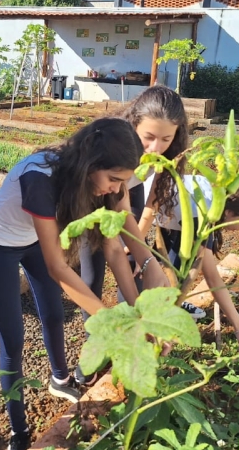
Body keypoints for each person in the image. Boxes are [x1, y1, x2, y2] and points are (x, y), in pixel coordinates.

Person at [0, 117, 168, 450]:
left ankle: (59, 377)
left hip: (38, 238)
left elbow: (115, 250)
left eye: (122, 182)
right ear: (90, 164)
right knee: (13, 338)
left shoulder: (104, 185)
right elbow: (59, 267)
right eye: (113, 179)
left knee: (53, 313)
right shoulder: (41, 178)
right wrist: (114, 325)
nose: (117, 189)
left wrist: (139, 316)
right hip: (1, 240)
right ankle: (18, 430)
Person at [77, 87, 203, 382]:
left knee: (135, 267)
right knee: (91, 275)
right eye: (149, 137)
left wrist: (137, 245)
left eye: (166, 139)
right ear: (133, 123)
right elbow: (110, 231)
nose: (156, 148)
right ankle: (95, 347)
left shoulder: (169, 154)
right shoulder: (110, 147)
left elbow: (151, 201)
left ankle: (132, 337)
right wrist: (122, 247)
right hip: (95, 196)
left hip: (127, 193)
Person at [139, 175, 239, 349]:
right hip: (137, 206)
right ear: (229, 213)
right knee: (140, 275)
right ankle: (147, 330)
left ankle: (168, 303)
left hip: (170, 209)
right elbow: (212, 278)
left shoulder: (213, 198)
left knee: (177, 262)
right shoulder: (202, 214)